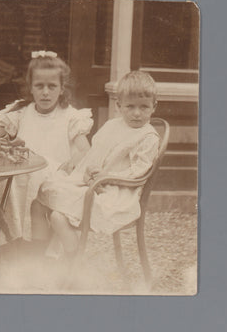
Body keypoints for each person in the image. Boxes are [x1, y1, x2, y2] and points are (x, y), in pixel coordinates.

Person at [31, 70, 160, 263]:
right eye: (130, 106)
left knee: (58, 216)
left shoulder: (147, 137)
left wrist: (106, 176)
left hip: (118, 192)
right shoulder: (112, 125)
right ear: (119, 106)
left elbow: (138, 172)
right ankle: (37, 256)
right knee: (41, 198)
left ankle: (72, 261)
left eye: (143, 107)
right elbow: (94, 155)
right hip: (95, 183)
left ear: (153, 107)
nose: (136, 113)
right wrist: (88, 171)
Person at [0, 50, 93, 245]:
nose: (45, 92)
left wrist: (71, 163)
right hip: (21, 171)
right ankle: (9, 238)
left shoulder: (71, 117)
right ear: (30, 87)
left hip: (53, 174)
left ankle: (34, 244)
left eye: (52, 86)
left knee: (26, 179)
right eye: (39, 86)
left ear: (62, 88)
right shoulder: (21, 112)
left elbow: (84, 150)